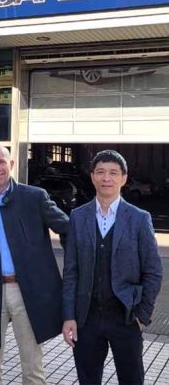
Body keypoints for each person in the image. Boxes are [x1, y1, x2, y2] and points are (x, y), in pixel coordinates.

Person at [0, 145, 69, 385]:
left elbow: (68, 228)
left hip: (26, 291)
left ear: (12, 164)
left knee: (32, 364)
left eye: (2, 161)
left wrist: (76, 269)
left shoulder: (34, 197)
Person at [62, 149, 163, 385]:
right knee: (88, 379)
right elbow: (71, 271)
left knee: (132, 379)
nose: (106, 178)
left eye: (113, 173)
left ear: (124, 178)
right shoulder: (78, 216)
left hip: (126, 316)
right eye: (100, 172)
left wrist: (142, 314)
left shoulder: (139, 218)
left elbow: (154, 271)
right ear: (92, 176)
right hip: (86, 317)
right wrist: (69, 315)